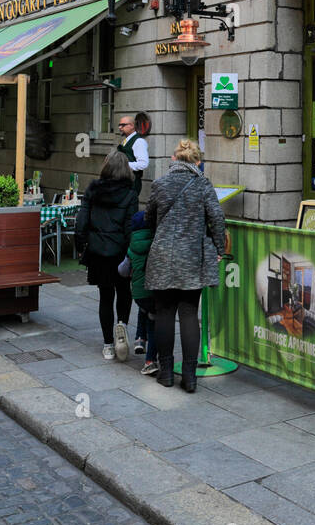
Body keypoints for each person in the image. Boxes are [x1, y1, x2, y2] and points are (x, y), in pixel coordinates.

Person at [144, 138, 227, 392]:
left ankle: (166, 372)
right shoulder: (203, 185)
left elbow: (148, 219)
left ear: (173, 159)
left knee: (164, 313)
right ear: (197, 162)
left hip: (162, 257)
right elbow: (217, 219)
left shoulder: (159, 184)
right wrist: (220, 250)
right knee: (189, 313)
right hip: (192, 257)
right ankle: (189, 378)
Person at [75, 150, 138, 361]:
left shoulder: (92, 190)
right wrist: (132, 253)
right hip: (120, 250)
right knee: (124, 291)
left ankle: (108, 346)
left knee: (105, 296)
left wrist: (80, 245)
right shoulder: (130, 194)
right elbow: (130, 227)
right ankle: (122, 324)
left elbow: (81, 221)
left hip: (98, 250)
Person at [123, 211, 158, 376]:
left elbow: (122, 270)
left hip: (138, 294)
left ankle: (139, 339)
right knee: (153, 323)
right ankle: (150, 361)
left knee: (143, 309)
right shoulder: (156, 242)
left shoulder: (132, 247)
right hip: (154, 290)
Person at [116, 112, 151, 198]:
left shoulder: (139, 141)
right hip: (123, 181)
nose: (120, 128)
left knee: (130, 209)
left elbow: (143, 164)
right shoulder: (126, 140)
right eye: (119, 125)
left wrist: (122, 165)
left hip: (132, 182)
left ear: (132, 126)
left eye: (123, 125)